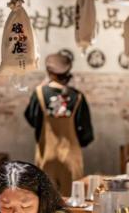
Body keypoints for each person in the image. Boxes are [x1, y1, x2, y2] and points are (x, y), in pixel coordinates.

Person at [25, 53, 94, 196]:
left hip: (46, 155)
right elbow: (86, 133)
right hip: (71, 157)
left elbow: (31, 119)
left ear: (49, 72)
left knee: (46, 199)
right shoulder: (77, 96)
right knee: (72, 201)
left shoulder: (39, 93)